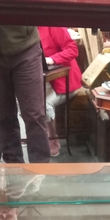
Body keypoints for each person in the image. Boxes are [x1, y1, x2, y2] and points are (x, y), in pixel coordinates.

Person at [0, 25, 50, 163]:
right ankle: (13, 172)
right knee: (3, 116)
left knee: (34, 115)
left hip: (25, 49)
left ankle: (41, 171)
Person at [38, 27, 82, 157]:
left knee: (44, 104)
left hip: (64, 81)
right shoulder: (25, 27)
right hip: (43, 80)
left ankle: (52, 137)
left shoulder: (52, 25)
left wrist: (50, 60)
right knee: (22, 100)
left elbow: (72, 50)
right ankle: (38, 132)